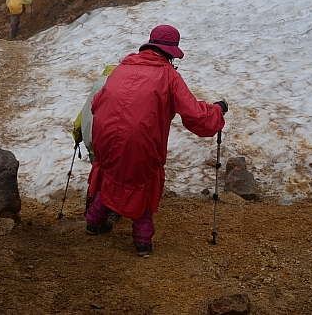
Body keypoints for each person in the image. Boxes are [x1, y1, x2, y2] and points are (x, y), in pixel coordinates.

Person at [84, 24, 228, 257]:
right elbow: (195, 116)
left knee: (113, 175)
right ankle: (142, 240)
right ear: (170, 53)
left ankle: (94, 221)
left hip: (105, 134)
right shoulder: (169, 76)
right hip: (140, 139)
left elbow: (96, 102)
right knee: (141, 183)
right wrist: (217, 111)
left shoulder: (123, 67)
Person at [72, 64, 118, 163]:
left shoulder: (95, 91)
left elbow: (79, 122)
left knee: (98, 175)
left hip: (94, 149)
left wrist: (77, 138)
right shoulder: (120, 91)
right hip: (113, 149)